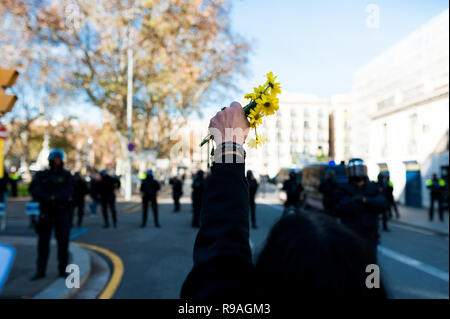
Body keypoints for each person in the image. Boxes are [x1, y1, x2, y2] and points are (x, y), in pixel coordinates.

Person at [180, 102, 386, 299]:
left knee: (371, 273)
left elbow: (220, 268)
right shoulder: (346, 189)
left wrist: (228, 148)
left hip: (368, 238)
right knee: (369, 276)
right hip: (358, 236)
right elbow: (342, 205)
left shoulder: (370, 188)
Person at [30, 149, 74, 280]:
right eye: (54, 160)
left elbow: (70, 191)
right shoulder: (42, 175)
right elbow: (34, 190)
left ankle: (63, 270)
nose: (56, 162)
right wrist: (47, 198)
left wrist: (56, 197)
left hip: (61, 213)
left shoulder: (66, 176)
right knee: (43, 244)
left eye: (58, 160)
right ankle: (40, 270)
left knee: (63, 244)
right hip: (46, 213)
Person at [335, 159, 387, 261]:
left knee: (371, 264)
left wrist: (365, 200)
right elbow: (340, 207)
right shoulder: (344, 188)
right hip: (350, 233)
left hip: (369, 233)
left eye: (360, 169)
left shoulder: (372, 187)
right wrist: (357, 202)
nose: (358, 173)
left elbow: (382, 203)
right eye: (355, 170)